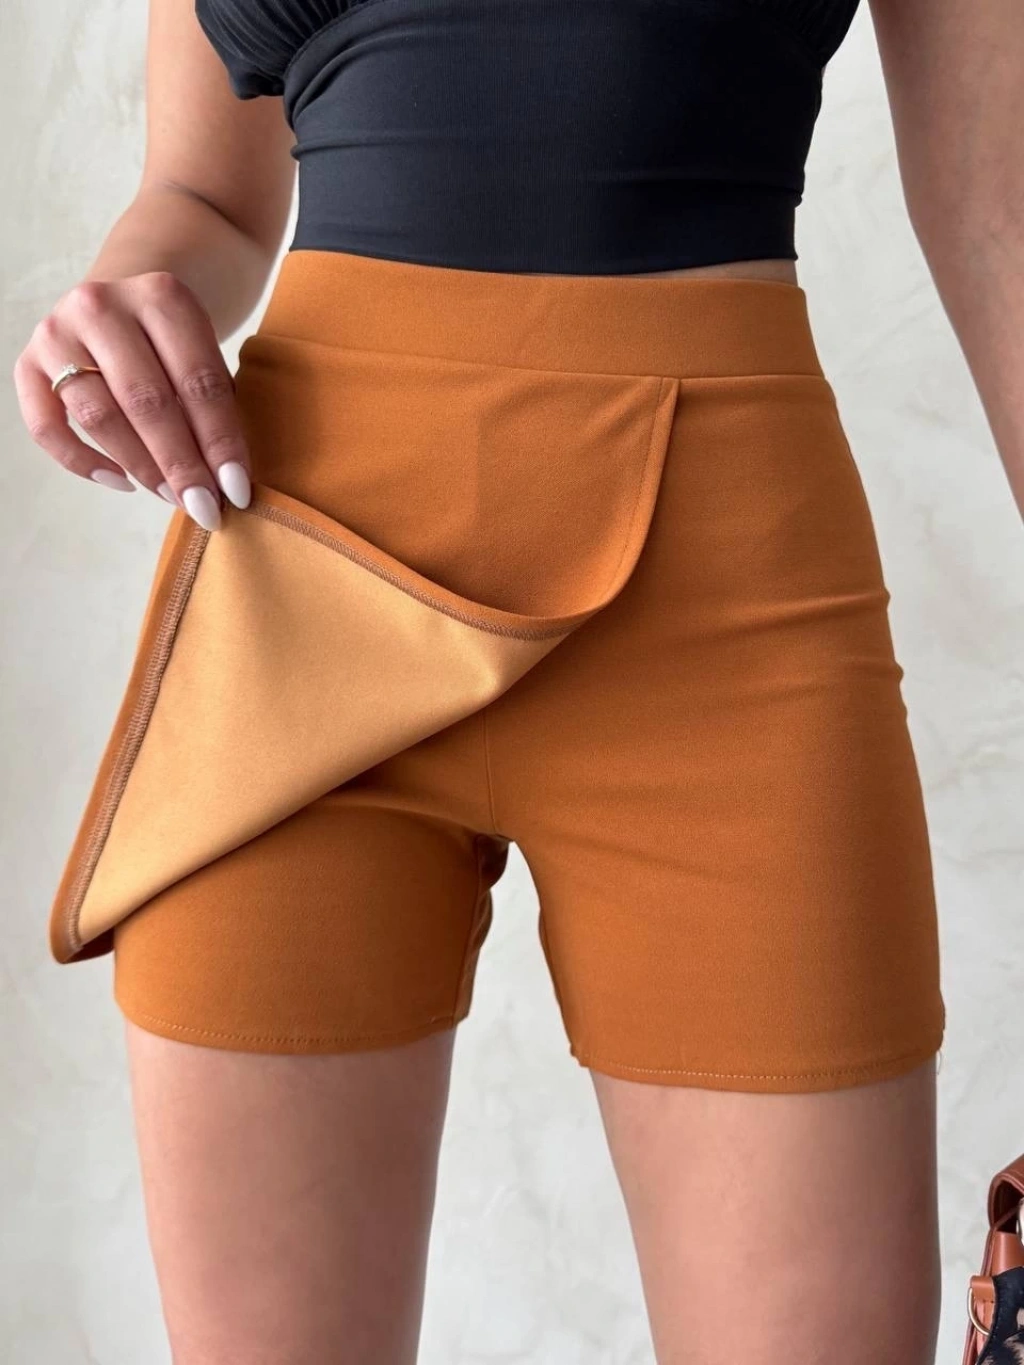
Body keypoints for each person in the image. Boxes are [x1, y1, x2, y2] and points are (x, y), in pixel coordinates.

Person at [11, 0, 1022, 1360]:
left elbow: (1000, 213)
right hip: (298, 608)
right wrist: (121, 298)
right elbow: (208, 199)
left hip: (729, 610)